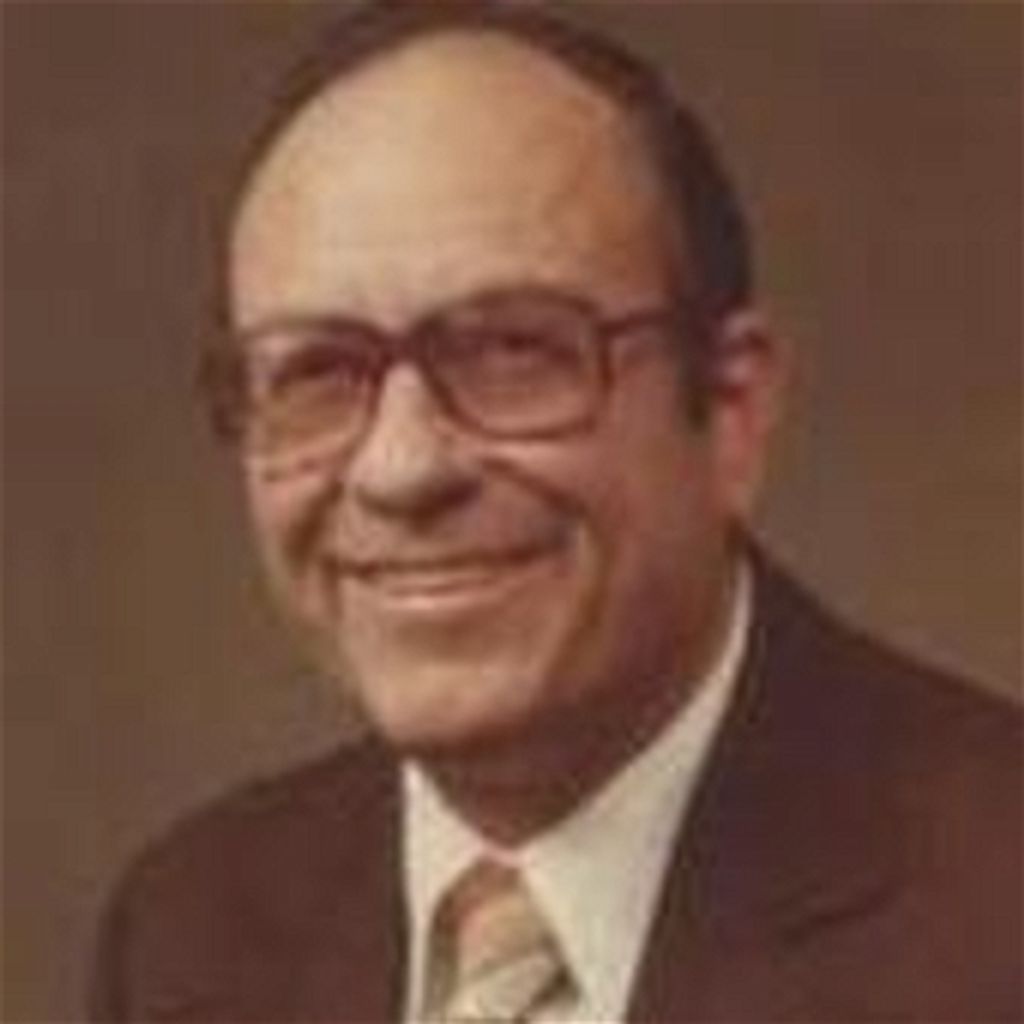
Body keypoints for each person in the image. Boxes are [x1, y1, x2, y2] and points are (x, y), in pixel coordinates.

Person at [91, 3, 1022, 1021]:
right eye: (318, 372)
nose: (401, 469)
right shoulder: (186, 931)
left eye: (512, 352)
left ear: (731, 412)